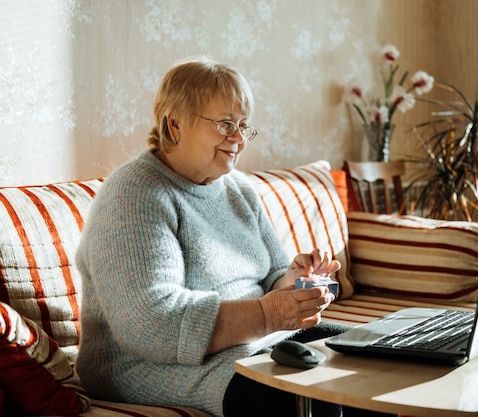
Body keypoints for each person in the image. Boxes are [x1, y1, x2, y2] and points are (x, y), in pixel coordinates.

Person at [75, 57, 368, 417]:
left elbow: (273, 276)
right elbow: (150, 326)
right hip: (150, 366)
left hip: (256, 342)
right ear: (175, 124)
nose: (239, 139)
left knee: (376, 360)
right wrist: (266, 315)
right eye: (226, 123)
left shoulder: (237, 189)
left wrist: (296, 282)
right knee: (319, 400)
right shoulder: (135, 193)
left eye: (244, 125)